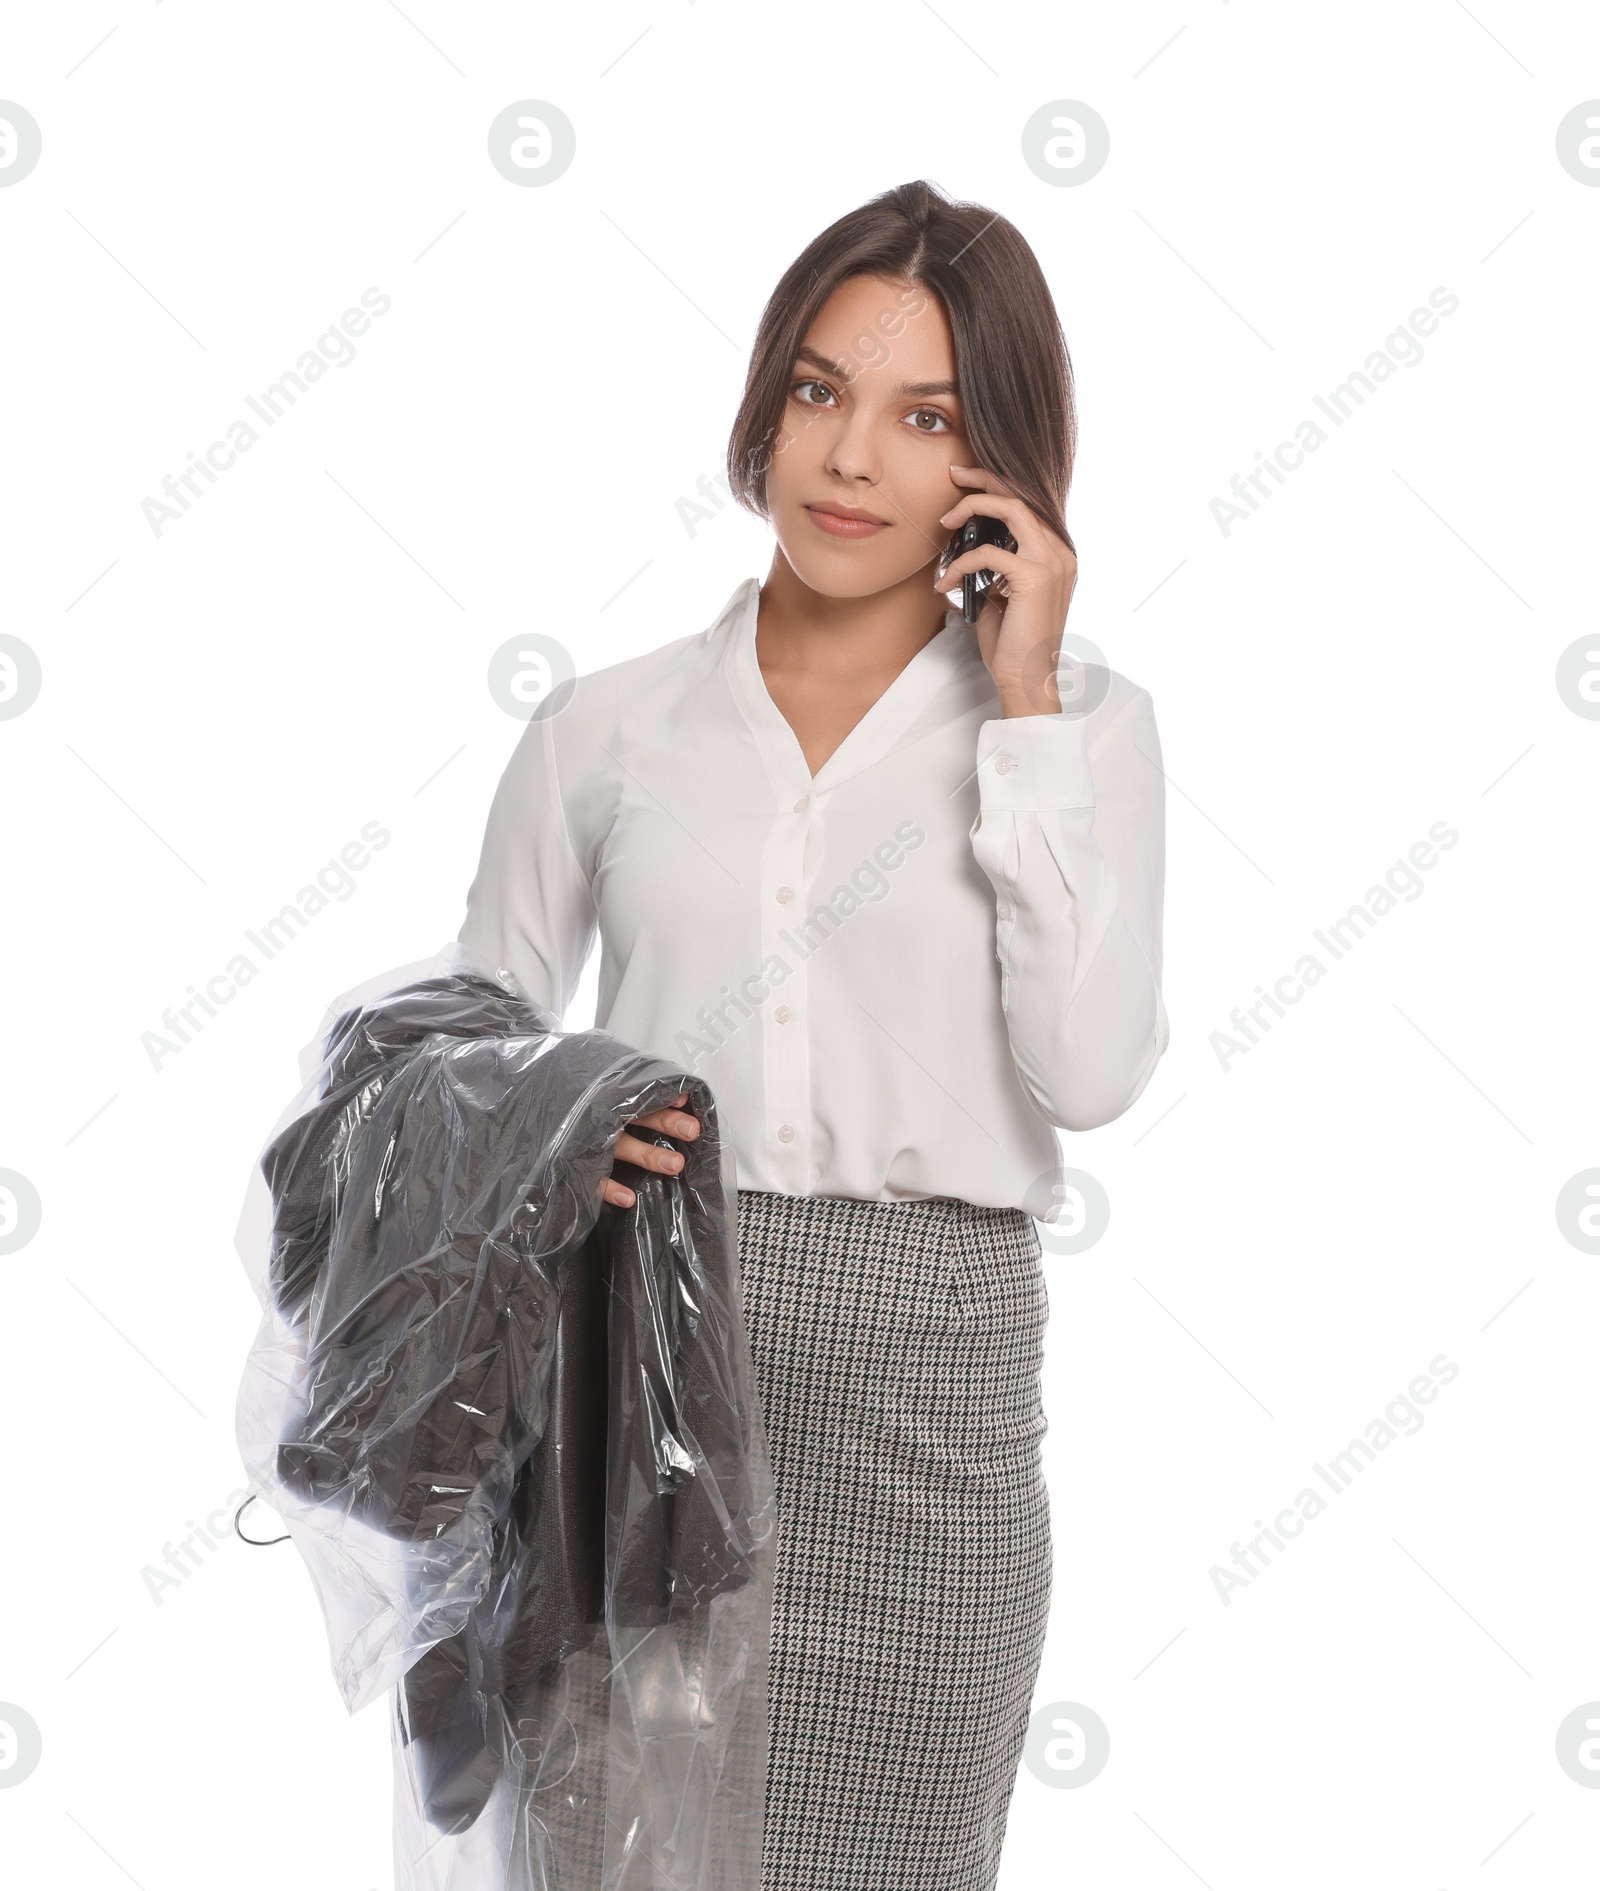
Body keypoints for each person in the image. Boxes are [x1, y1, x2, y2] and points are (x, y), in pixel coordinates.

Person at [458, 176, 1168, 1891]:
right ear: (766, 403)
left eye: (926, 417)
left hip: (930, 1396)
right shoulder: (606, 729)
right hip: (636, 1366)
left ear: (998, 463)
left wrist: (1023, 706)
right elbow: (460, 1058)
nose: (852, 460)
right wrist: (564, 1118)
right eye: (819, 392)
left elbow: (1087, 1074)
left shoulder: (1085, 728)